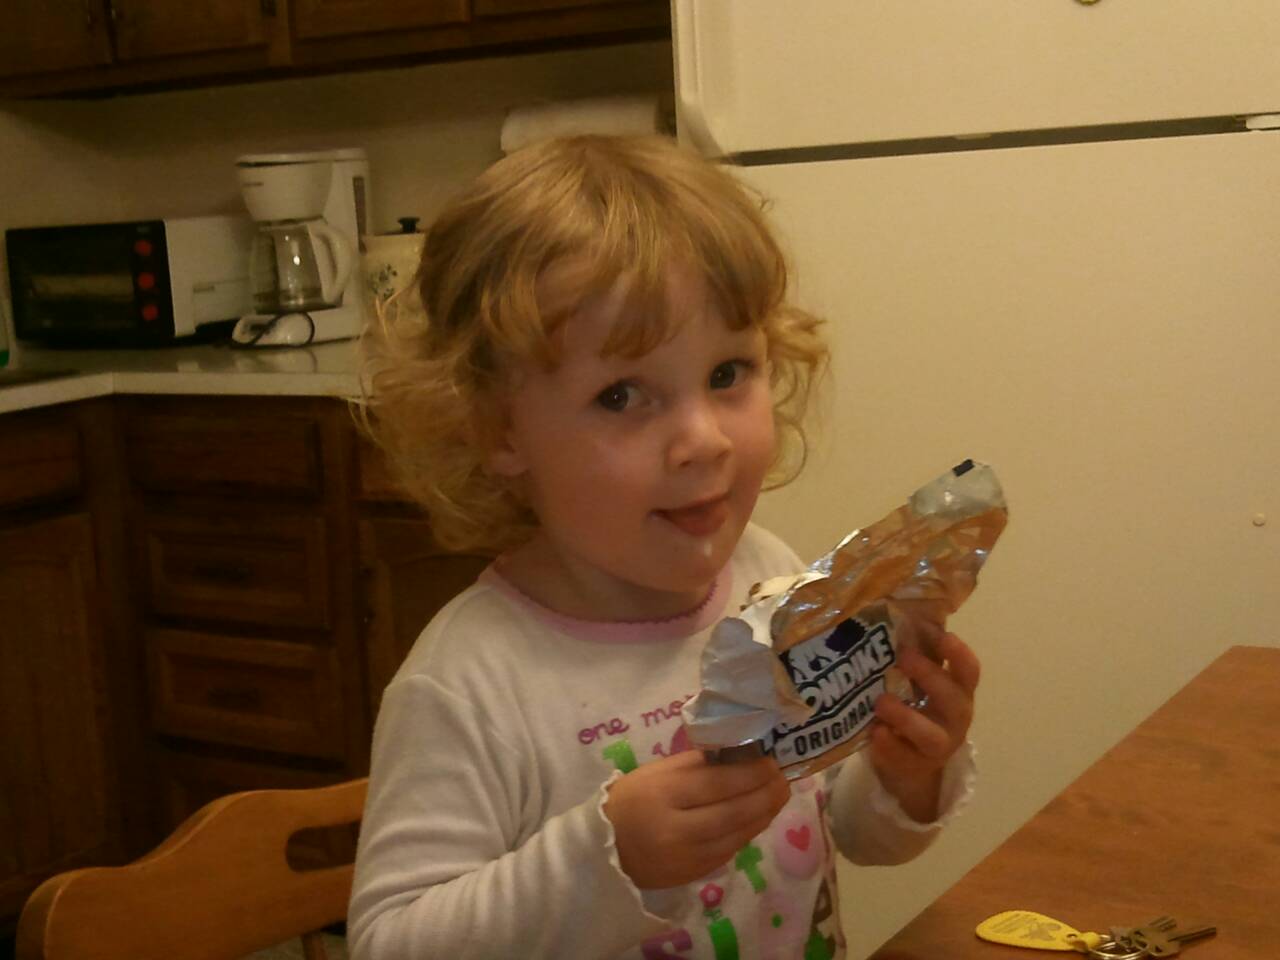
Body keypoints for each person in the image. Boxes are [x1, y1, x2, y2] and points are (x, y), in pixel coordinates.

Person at [348, 134, 979, 960]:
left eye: (727, 374)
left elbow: (846, 830)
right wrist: (604, 859)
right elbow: (389, 942)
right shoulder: (470, 683)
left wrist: (905, 775)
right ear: (499, 428)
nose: (704, 439)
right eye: (622, 395)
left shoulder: (770, 576)